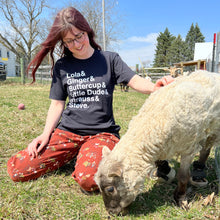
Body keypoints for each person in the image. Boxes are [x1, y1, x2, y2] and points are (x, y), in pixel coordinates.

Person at [7, 7, 175, 193]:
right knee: (18, 169)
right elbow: (57, 103)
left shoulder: (110, 59)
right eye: (69, 41)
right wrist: (46, 134)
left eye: (79, 36)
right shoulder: (62, 66)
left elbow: (134, 80)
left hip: (101, 134)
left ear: (86, 30)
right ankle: (75, 154)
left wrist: (155, 87)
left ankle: (87, 157)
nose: (77, 44)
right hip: (67, 133)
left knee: (90, 180)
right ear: (63, 43)